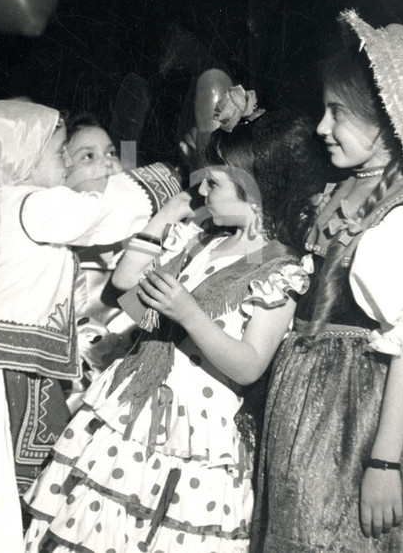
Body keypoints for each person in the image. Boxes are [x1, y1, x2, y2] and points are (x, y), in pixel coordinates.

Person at [23, 98, 329, 552]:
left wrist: (188, 313)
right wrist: (167, 216)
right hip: (129, 417)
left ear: (255, 190)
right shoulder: (201, 242)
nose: (202, 193)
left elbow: (248, 366)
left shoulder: (279, 270)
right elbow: (124, 285)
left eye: (215, 184)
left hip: (192, 440)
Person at [0, 99, 158, 552]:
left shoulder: (25, 207)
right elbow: (102, 213)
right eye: (60, 149)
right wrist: (163, 183)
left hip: (7, 377)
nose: (64, 159)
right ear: (20, 160)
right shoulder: (32, 204)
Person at [252, 10, 403, 551]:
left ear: (386, 122)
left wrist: (383, 461)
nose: (321, 128)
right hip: (304, 405)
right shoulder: (338, 194)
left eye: (336, 113)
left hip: (354, 417)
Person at [61, 112, 184, 406]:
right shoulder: (71, 219)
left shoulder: (135, 220)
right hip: (84, 360)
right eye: (88, 156)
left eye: (111, 152)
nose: (107, 162)